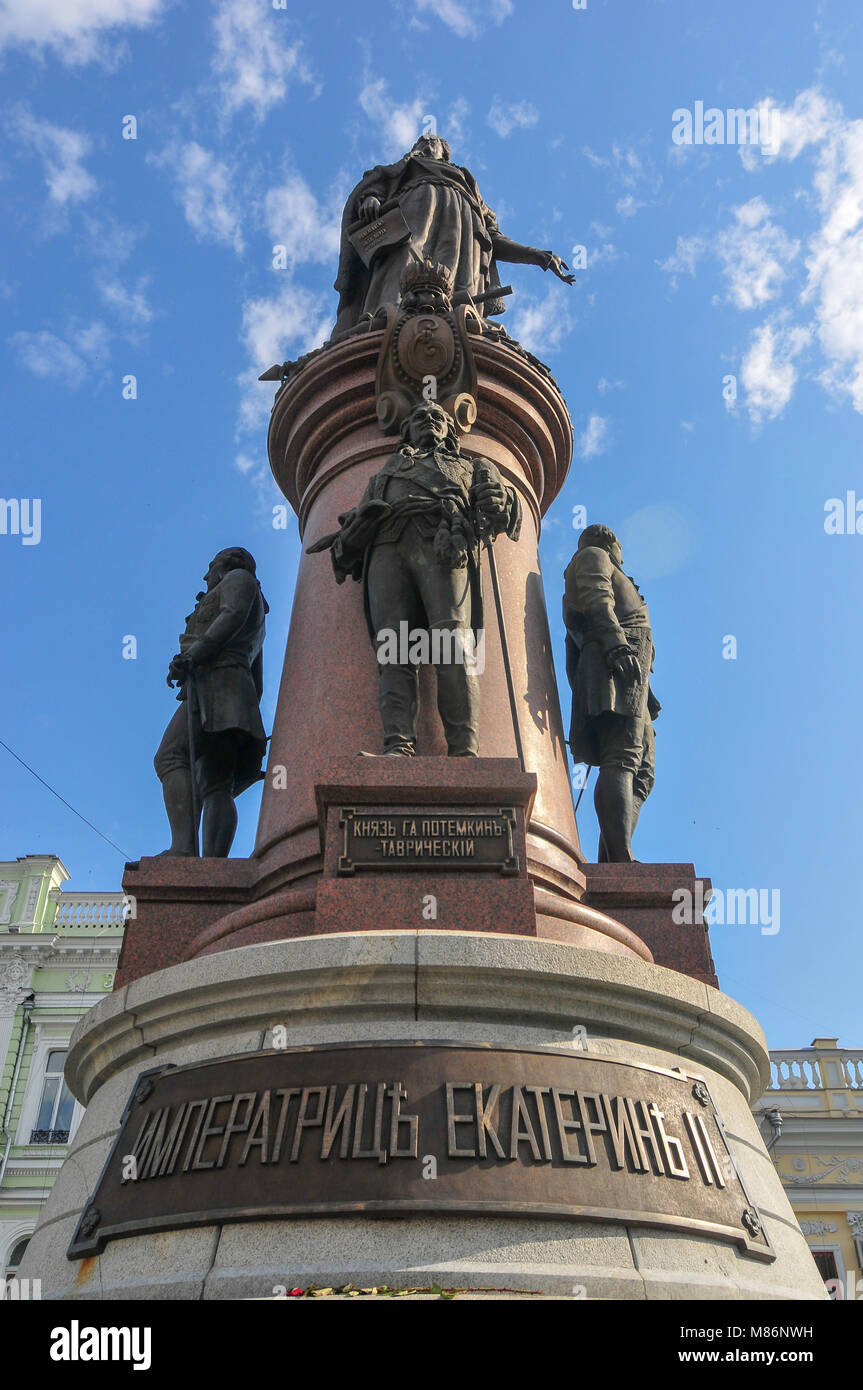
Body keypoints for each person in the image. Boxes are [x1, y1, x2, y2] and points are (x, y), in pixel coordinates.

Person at [308, 401, 521, 756]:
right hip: (387, 550)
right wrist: (355, 531)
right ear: (406, 430)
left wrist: (500, 500)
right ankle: (398, 746)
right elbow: (355, 531)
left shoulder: (472, 466)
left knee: (453, 644)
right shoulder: (384, 475)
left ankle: (465, 751)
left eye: (438, 418)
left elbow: (503, 512)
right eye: (420, 418)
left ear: (450, 431)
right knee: (393, 650)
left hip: (444, 543)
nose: (430, 422)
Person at [332, 133, 573, 339]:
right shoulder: (405, 169)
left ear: (444, 153)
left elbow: (494, 238)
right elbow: (376, 185)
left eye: (432, 142)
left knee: (462, 285)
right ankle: (384, 318)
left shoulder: (466, 182)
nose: (425, 144)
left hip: (464, 232)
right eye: (420, 142)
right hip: (410, 213)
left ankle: (465, 322)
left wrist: (540, 256)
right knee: (402, 264)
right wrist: (371, 197)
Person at [154, 548, 267, 856]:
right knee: (217, 783)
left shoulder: (239, 578)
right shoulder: (256, 605)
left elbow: (231, 615)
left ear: (228, 564)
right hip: (234, 689)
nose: (206, 575)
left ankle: (183, 849)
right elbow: (259, 675)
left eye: (211, 566)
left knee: (169, 757)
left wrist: (192, 655)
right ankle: (212, 867)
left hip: (217, 684)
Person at [563, 525, 660, 861]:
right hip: (612, 664)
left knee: (643, 771)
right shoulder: (594, 556)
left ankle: (612, 862)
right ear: (611, 543)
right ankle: (621, 858)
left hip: (629, 677)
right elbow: (596, 600)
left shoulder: (614, 572)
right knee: (619, 756)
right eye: (621, 546)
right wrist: (617, 647)